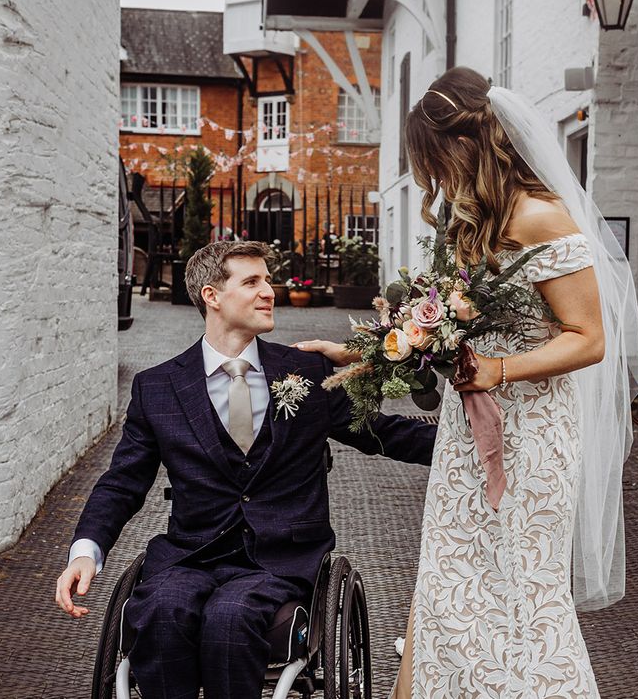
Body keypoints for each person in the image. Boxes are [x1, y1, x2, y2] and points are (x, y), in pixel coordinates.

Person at [298, 67, 638, 698]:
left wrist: (499, 369)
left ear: (463, 145)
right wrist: (356, 353)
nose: (431, 180)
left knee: (520, 595)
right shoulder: (469, 227)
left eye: (432, 161)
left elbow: (588, 338)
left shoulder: (543, 217)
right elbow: (436, 333)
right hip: (467, 433)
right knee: (450, 585)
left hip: (532, 437)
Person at [54, 241, 437, 699]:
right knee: (161, 608)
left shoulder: (306, 371)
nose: (269, 291)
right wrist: (85, 551)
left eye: (268, 280)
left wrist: (467, 446)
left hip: (281, 560)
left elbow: (381, 432)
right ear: (212, 296)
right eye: (252, 282)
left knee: (231, 615)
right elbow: (123, 480)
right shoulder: (157, 388)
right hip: (190, 554)